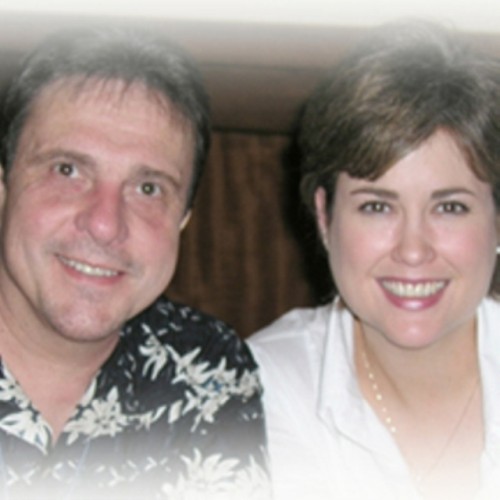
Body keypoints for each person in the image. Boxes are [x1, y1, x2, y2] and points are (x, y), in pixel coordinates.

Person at [0, 26, 268, 499]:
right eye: (67, 170)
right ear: (3, 187)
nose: (105, 224)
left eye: (148, 188)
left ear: (183, 218)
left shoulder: (207, 371)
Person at [249, 20, 500, 500]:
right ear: (324, 217)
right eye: (377, 207)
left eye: (450, 207)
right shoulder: (262, 391)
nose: (413, 250)